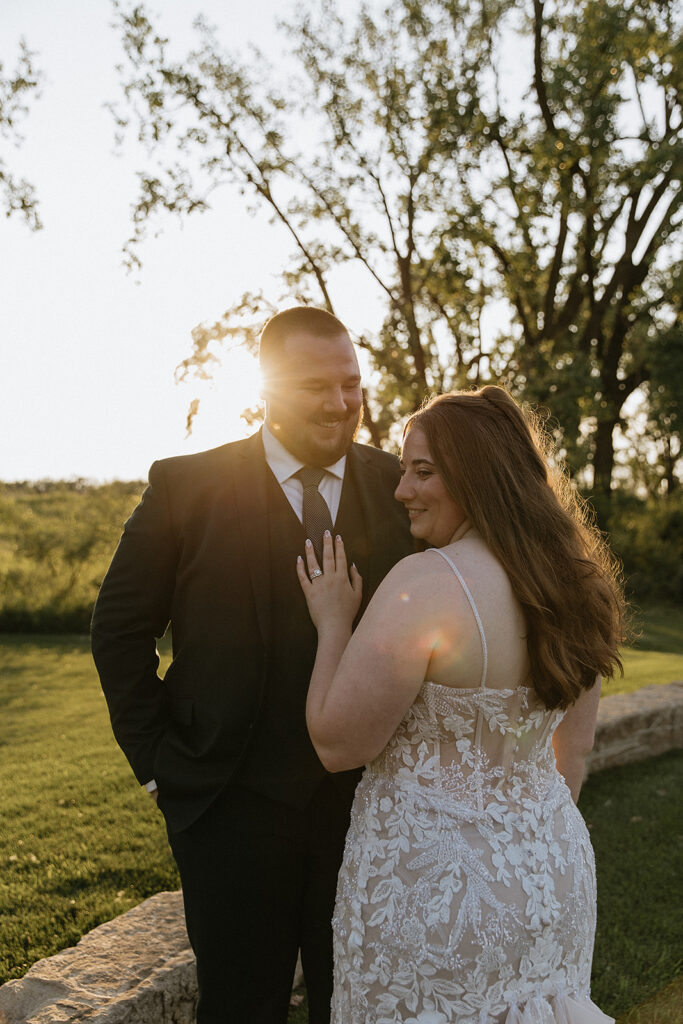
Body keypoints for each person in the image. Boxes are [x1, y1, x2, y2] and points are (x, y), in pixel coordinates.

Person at [91, 306, 415, 1024]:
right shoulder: (185, 486)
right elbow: (119, 630)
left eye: (351, 384)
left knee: (358, 1007)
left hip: (370, 805)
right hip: (226, 808)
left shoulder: (402, 486)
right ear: (266, 388)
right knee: (240, 1008)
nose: (339, 404)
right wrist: (156, 764)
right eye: (315, 387)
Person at [296, 386, 624, 1024]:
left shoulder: (425, 582)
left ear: (478, 475)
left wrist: (333, 622)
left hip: (438, 892)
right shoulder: (576, 582)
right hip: (552, 873)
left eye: (423, 472)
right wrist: (522, 851)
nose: (402, 491)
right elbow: (576, 748)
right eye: (404, 471)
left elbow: (337, 743)